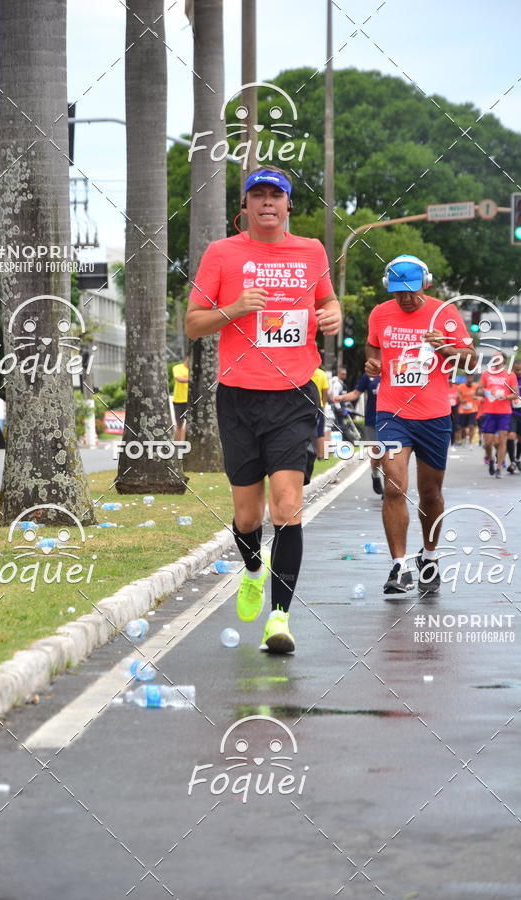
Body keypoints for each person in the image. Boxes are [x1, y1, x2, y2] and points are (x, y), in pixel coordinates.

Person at [185, 165, 341, 653]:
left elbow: (329, 305)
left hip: (294, 394)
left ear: (289, 205)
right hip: (238, 397)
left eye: (277, 195)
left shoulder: (311, 251)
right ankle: (253, 569)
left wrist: (334, 314)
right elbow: (193, 324)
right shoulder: (222, 253)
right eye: (259, 195)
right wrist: (235, 308)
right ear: (246, 206)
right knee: (248, 516)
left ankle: (279, 620)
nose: (268, 202)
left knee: (287, 507)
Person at [365, 254, 477, 594]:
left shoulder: (445, 314)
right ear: (389, 289)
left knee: (431, 494)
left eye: (412, 291)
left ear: (425, 284)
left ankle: (428, 557)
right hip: (392, 413)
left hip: (434, 416)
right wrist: (371, 365)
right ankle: (398, 568)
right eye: (399, 292)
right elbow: (373, 351)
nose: (406, 298)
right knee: (393, 486)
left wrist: (444, 346)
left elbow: (471, 362)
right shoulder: (380, 314)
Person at [336, 371, 383, 495]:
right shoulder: (369, 375)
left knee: (391, 455)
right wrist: (340, 398)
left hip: (393, 421)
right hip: (373, 420)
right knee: (377, 454)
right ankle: (376, 474)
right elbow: (356, 393)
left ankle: (390, 490)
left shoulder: (397, 370)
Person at [477, 352, 518, 479]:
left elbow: (515, 394)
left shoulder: (510, 375)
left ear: (504, 361)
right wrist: (485, 391)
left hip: (504, 412)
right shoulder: (486, 374)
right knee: (487, 443)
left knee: (502, 441)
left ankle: (498, 468)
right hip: (489, 412)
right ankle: (490, 460)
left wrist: (504, 396)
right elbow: (479, 389)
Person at [311, 366, 330, 460]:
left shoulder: (304, 372)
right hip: (319, 406)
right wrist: (323, 404)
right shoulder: (322, 374)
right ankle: (320, 456)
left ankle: (309, 454)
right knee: (320, 432)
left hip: (304, 406)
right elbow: (325, 391)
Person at [457, 374, 479, 446]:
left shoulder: (476, 386)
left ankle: (470, 442)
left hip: (473, 409)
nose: (469, 378)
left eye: (471, 377)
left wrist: (477, 397)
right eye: (468, 377)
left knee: (471, 426)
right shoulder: (461, 386)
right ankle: (463, 439)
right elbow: (459, 396)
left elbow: (479, 395)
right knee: (462, 428)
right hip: (463, 410)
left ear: (472, 378)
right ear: (466, 378)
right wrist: (461, 400)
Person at [172, 354, 190, 441]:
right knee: (179, 424)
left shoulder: (194, 370)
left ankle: (185, 443)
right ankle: (178, 444)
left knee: (190, 424)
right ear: (186, 358)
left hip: (190, 401)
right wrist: (191, 380)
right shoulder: (177, 368)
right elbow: (178, 379)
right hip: (178, 400)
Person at [329, 366, 348, 435]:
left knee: (340, 425)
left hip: (339, 406)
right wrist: (339, 409)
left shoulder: (340, 383)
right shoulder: (337, 384)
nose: (344, 375)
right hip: (337, 408)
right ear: (338, 374)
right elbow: (335, 397)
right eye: (343, 374)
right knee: (339, 426)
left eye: (345, 374)